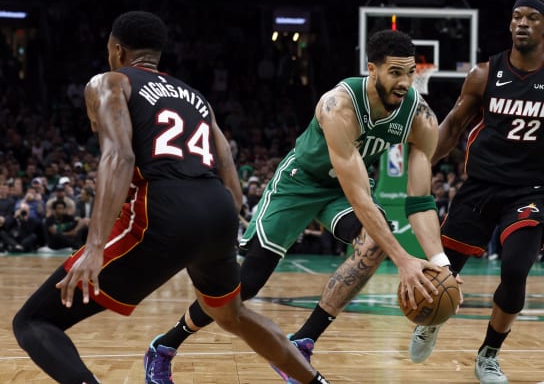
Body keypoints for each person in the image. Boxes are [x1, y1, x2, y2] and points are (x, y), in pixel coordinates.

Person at [12, 11, 328, 384]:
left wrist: (95, 246)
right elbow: (230, 175)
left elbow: (119, 156)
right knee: (233, 315)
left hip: (164, 209)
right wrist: (213, 232)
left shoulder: (109, 82)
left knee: (33, 321)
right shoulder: (195, 98)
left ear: (117, 49)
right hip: (217, 209)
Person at [143, 29, 450, 384]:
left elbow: (421, 201)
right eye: (395, 72)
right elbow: (359, 197)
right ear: (372, 69)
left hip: (341, 190)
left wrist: (440, 262)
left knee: (373, 242)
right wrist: (403, 261)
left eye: (411, 72)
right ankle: (165, 345)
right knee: (245, 285)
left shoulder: (421, 117)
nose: (405, 82)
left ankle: (302, 342)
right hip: (300, 183)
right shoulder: (339, 106)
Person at [408, 0, 544, 383]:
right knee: (444, 268)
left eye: (531, 18)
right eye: (516, 17)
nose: (522, 23)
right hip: (479, 185)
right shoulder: (483, 74)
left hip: (530, 192)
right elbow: (454, 125)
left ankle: (489, 354)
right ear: (510, 25)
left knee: (514, 269)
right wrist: (426, 159)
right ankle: (431, 320)